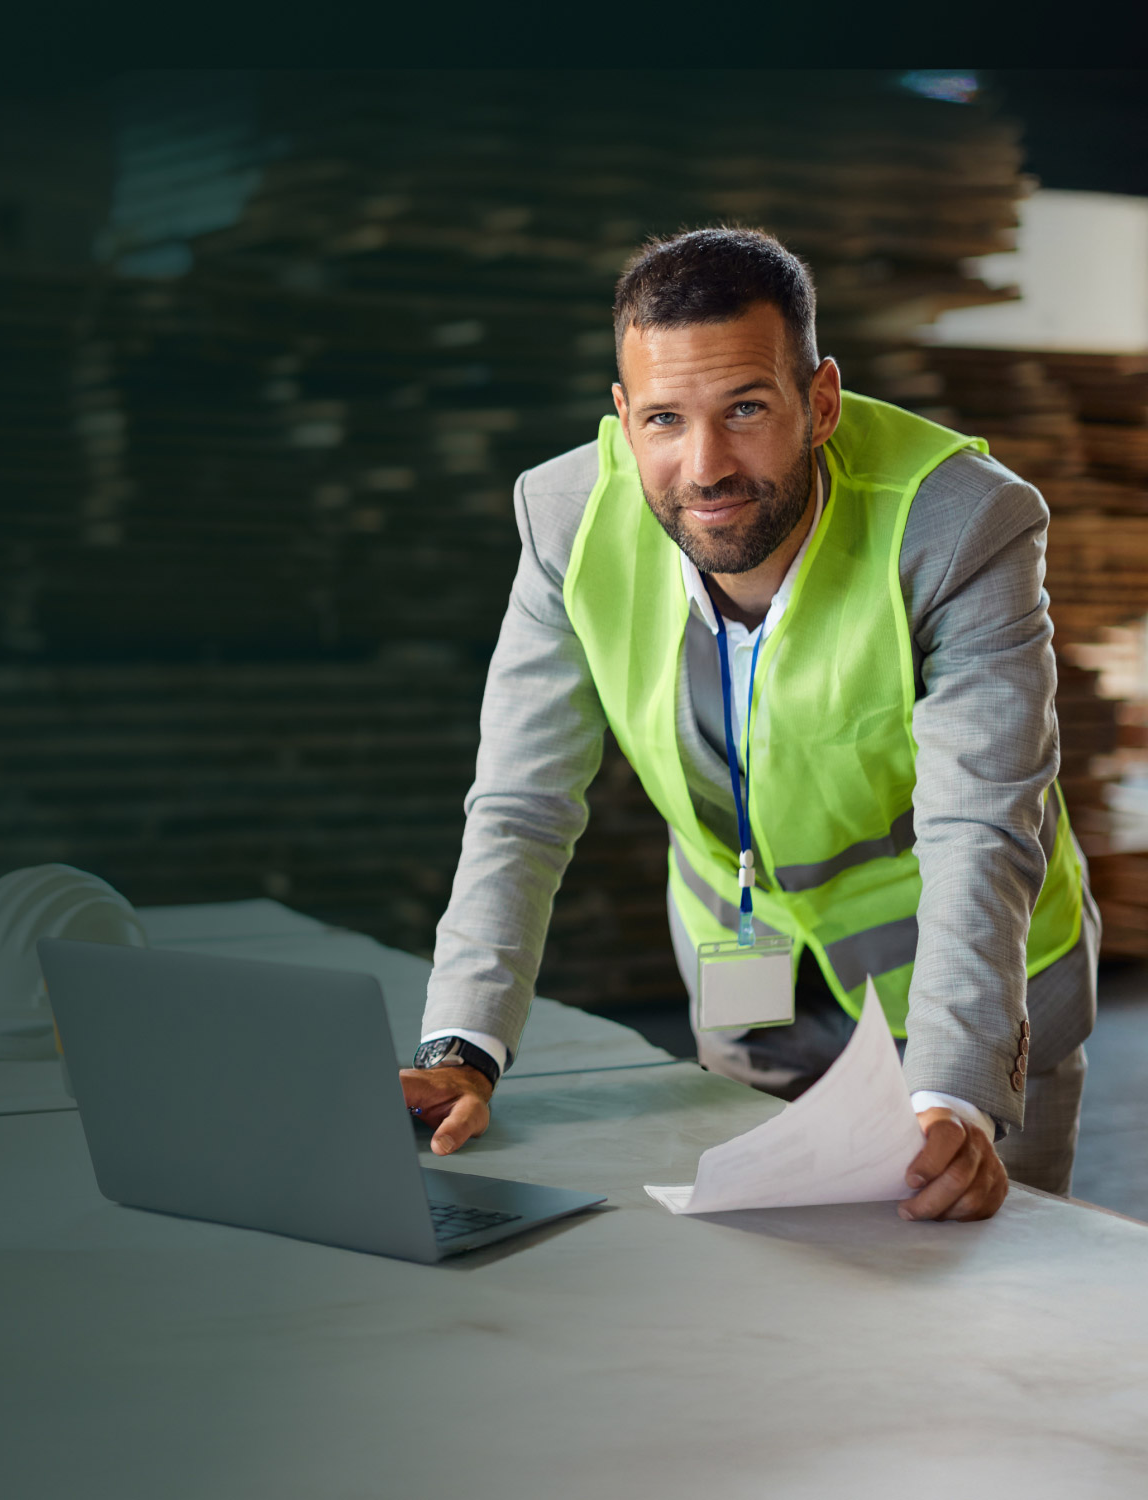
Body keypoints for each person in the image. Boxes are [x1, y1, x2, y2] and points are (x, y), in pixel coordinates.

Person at [402, 228, 1097, 1223]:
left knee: (980, 1305)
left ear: (821, 403)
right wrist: (459, 1048)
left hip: (967, 992)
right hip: (751, 990)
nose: (705, 464)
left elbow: (978, 828)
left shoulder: (959, 528)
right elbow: (520, 806)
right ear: (623, 418)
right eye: (664, 420)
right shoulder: (567, 522)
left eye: (746, 408)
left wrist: (956, 1094)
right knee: (770, 1300)